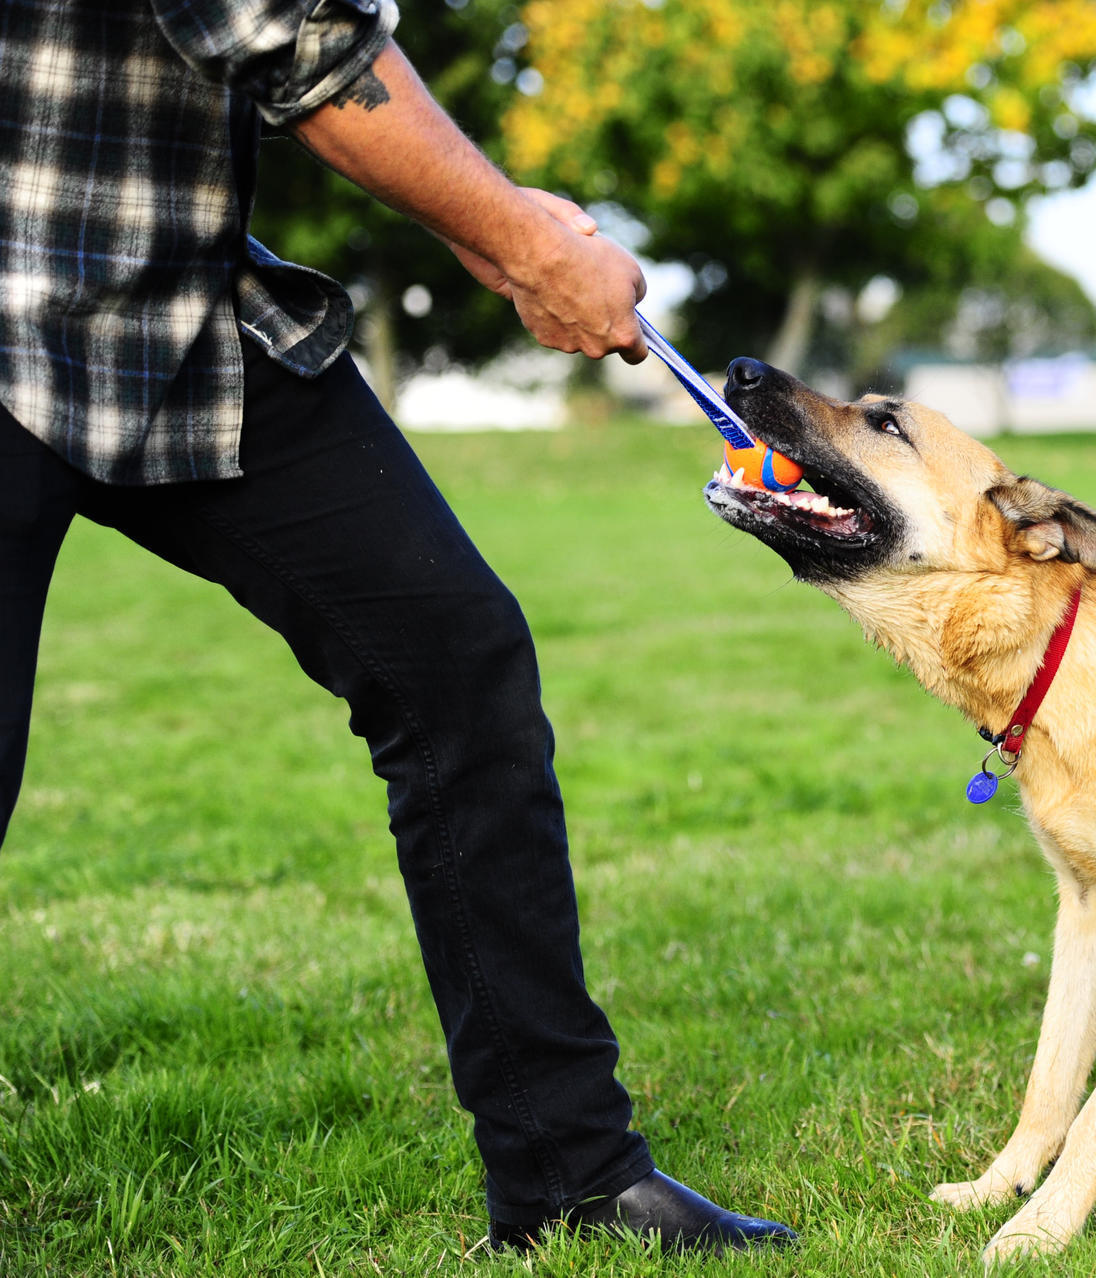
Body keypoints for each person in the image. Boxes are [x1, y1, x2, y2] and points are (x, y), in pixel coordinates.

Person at [0, 0, 794, 1256]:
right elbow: (288, 35)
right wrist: (523, 239)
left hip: (179, 307)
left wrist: (497, 222)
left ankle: (567, 1174)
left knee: (455, 664)